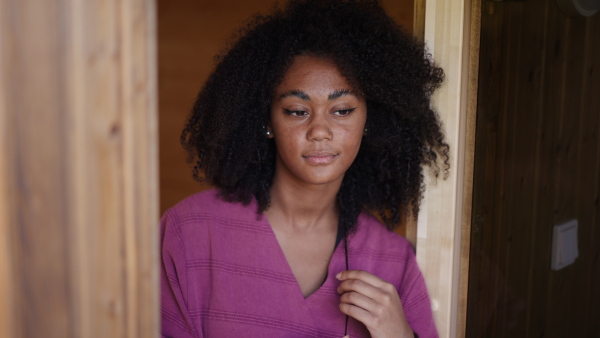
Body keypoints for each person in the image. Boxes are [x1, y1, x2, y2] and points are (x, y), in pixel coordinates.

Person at [160, 0, 449, 337]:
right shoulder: (191, 232)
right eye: (297, 110)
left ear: (371, 119)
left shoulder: (393, 262)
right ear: (266, 120)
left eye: (342, 110)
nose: (320, 130)